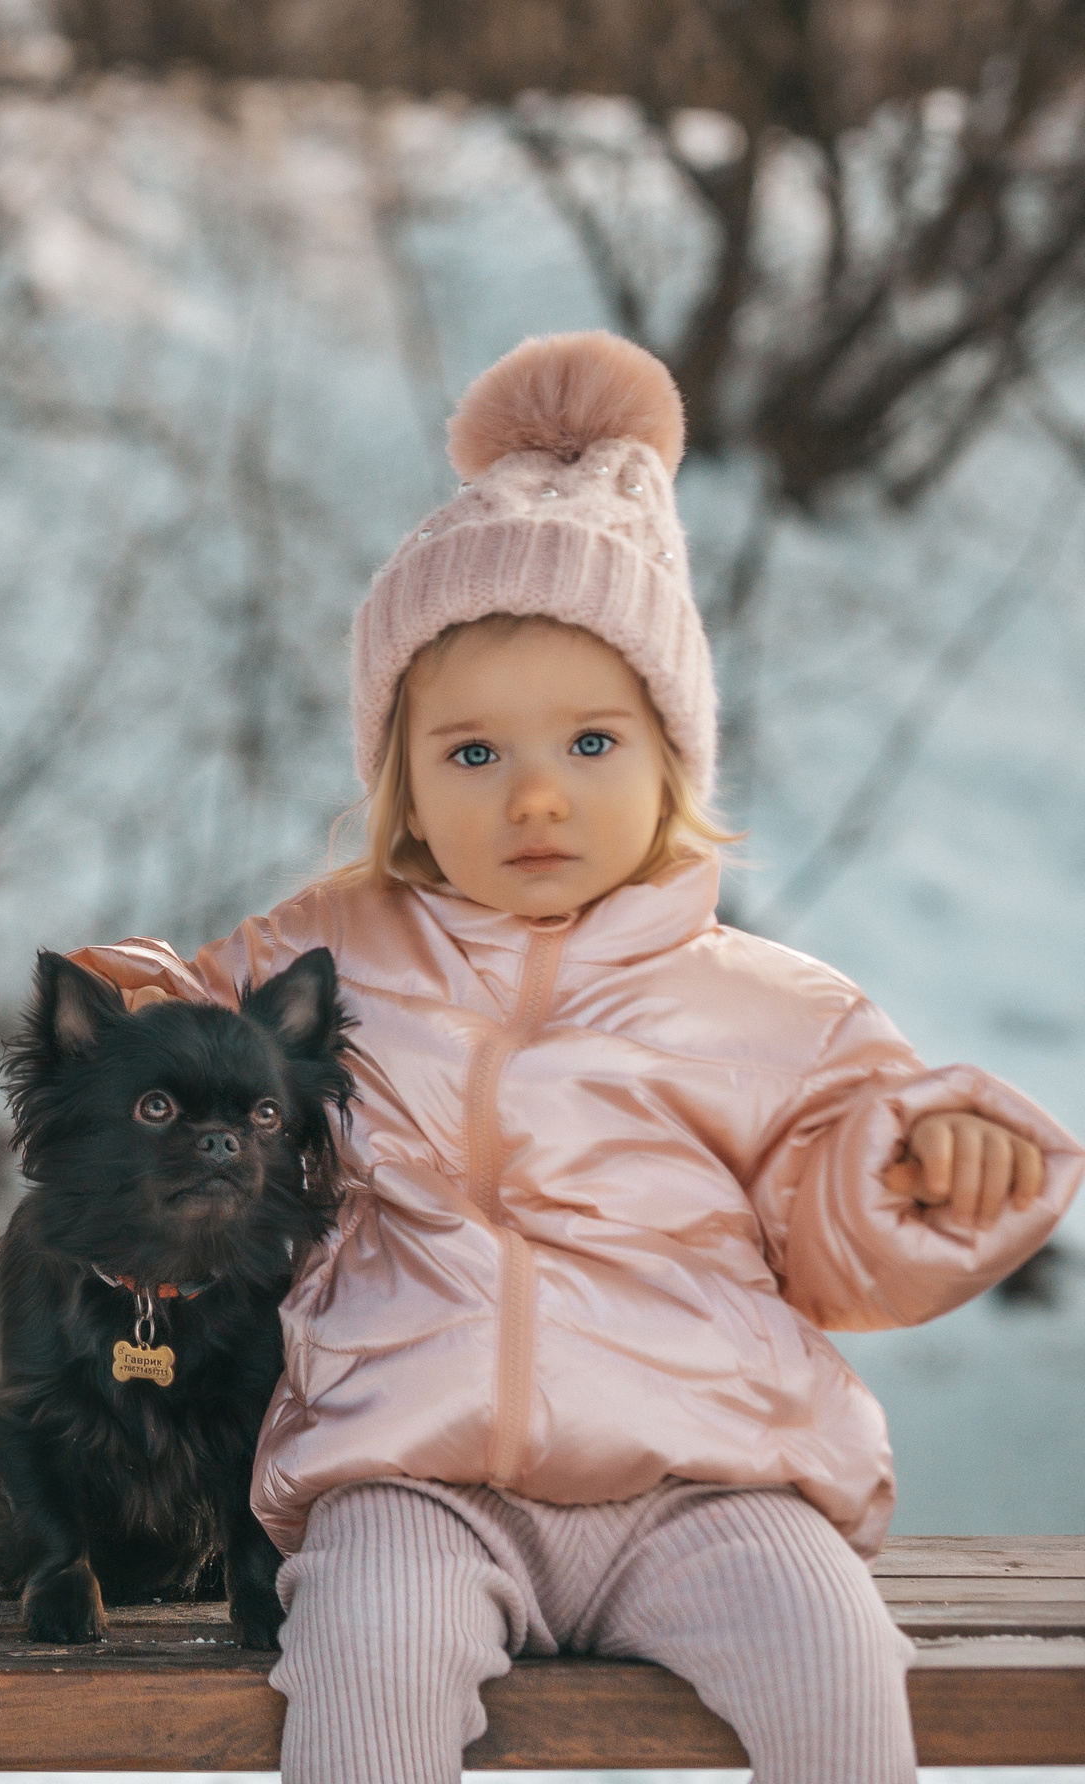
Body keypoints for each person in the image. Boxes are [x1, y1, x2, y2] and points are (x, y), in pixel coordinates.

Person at [77, 330, 1081, 1784]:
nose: (536, 792)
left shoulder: (772, 1009)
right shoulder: (331, 954)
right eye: (474, 754)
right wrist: (134, 1006)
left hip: (704, 1482)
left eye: (594, 743)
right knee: (361, 1672)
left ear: (673, 755)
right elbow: (195, 1034)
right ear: (404, 781)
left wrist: (924, 1167)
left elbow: (833, 1219)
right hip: (412, 1478)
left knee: (837, 1660)